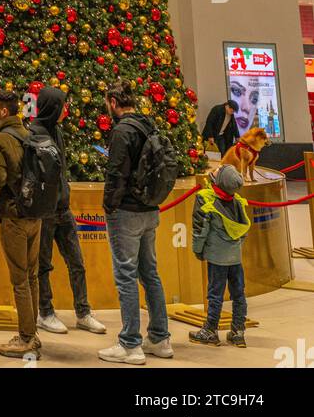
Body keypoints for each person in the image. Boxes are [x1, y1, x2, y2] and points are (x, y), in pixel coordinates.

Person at [98, 82, 173, 365]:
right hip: (149, 210)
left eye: (108, 104)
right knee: (149, 273)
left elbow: (116, 173)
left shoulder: (122, 131)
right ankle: (159, 338)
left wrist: (109, 206)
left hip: (126, 212)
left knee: (126, 276)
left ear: (115, 102)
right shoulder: (148, 125)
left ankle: (130, 344)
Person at [0, 87, 48, 360]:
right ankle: (32, 331)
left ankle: (25, 337)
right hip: (36, 215)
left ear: (4, 112)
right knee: (32, 276)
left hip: (14, 216)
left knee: (19, 279)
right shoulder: (29, 134)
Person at [33, 86, 105, 337]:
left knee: (77, 262)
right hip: (44, 212)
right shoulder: (34, 134)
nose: (66, 111)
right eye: (62, 106)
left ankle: (83, 312)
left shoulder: (57, 133)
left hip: (64, 210)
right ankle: (45, 312)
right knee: (43, 265)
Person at [189, 164, 251, 348]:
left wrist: (198, 250)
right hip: (235, 256)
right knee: (238, 293)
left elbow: (201, 230)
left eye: (218, 171)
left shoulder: (206, 200)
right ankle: (238, 332)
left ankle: (210, 330)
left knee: (215, 294)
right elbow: (244, 230)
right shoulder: (238, 201)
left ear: (219, 181)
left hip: (217, 257)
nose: (215, 169)